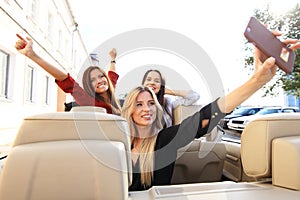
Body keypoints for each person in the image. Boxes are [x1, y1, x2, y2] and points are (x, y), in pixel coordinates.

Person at [121, 32, 300, 191]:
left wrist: (256, 81)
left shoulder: (165, 140)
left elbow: (205, 118)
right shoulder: (118, 144)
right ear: (129, 110)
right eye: (138, 104)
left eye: (151, 103)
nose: (146, 109)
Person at [15, 34, 121, 114]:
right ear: (89, 86)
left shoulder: (110, 89)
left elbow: (112, 74)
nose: (99, 81)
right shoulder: (88, 100)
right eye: (92, 80)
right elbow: (65, 79)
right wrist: (32, 55)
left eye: (101, 76)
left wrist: (113, 59)